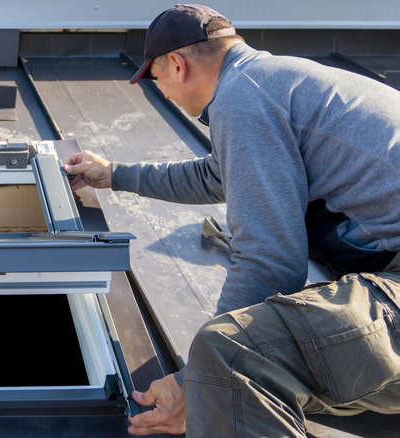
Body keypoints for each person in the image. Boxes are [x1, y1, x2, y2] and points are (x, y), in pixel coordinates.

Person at [63, 4, 400, 437]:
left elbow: (269, 261)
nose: (160, 91)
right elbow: (216, 175)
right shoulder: (274, 80)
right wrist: (116, 174)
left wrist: (194, 383)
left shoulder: (243, 99)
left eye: (155, 77)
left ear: (177, 66)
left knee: (227, 356)